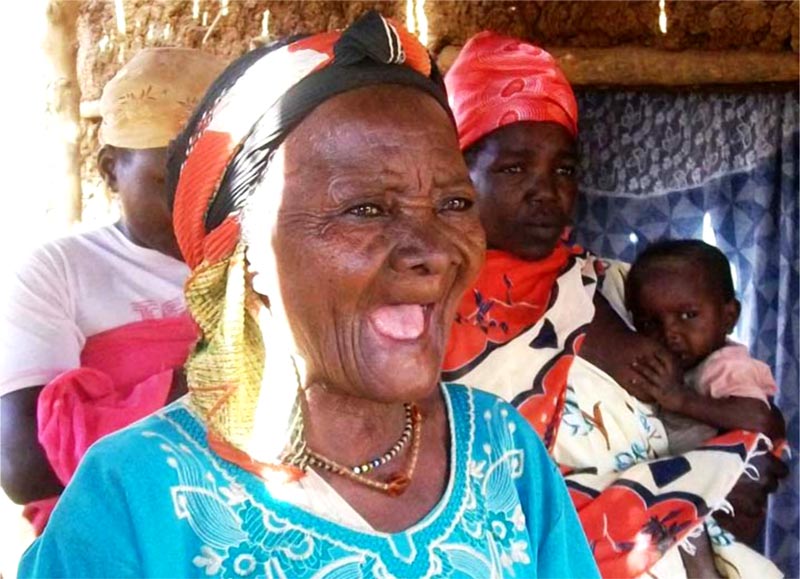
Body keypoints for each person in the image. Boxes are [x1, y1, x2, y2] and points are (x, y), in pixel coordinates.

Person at [19, 13, 600, 578]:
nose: (436, 251)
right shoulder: (132, 497)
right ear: (247, 251)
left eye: (453, 204)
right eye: (366, 209)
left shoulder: (501, 451)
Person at [443, 31, 787, 579]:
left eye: (563, 170)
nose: (546, 190)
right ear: (459, 175)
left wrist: (749, 456)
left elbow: (734, 393)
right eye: (514, 168)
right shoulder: (439, 313)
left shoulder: (615, 285)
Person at [0, 47, 226, 533]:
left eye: (214, 182)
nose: (194, 205)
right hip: (121, 536)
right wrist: (218, 379)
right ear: (109, 170)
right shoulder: (61, 272)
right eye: (168, 182)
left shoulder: (259, 264)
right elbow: (23, 465)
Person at [626, 239, 778, 454]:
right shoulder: (684, 365)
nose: (669, 333)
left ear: (729, 317)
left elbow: (759, 419)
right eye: (650, 323)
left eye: (688, 315)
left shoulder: (726, 366)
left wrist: (681, 399)